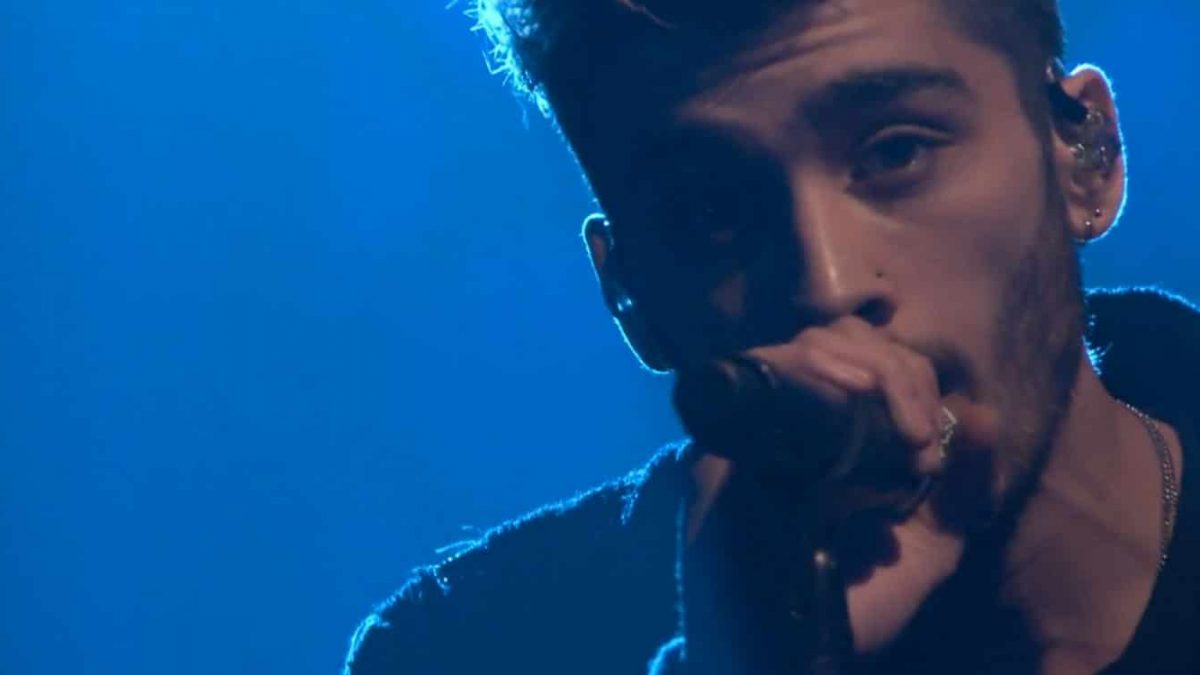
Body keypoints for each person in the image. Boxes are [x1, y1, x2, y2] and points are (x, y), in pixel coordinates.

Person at [343, 1, 1200, 672]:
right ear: (631, 299)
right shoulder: (461, 653)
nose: (828, 286)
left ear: (1088, 155)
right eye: (709, 211)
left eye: (897, 151)